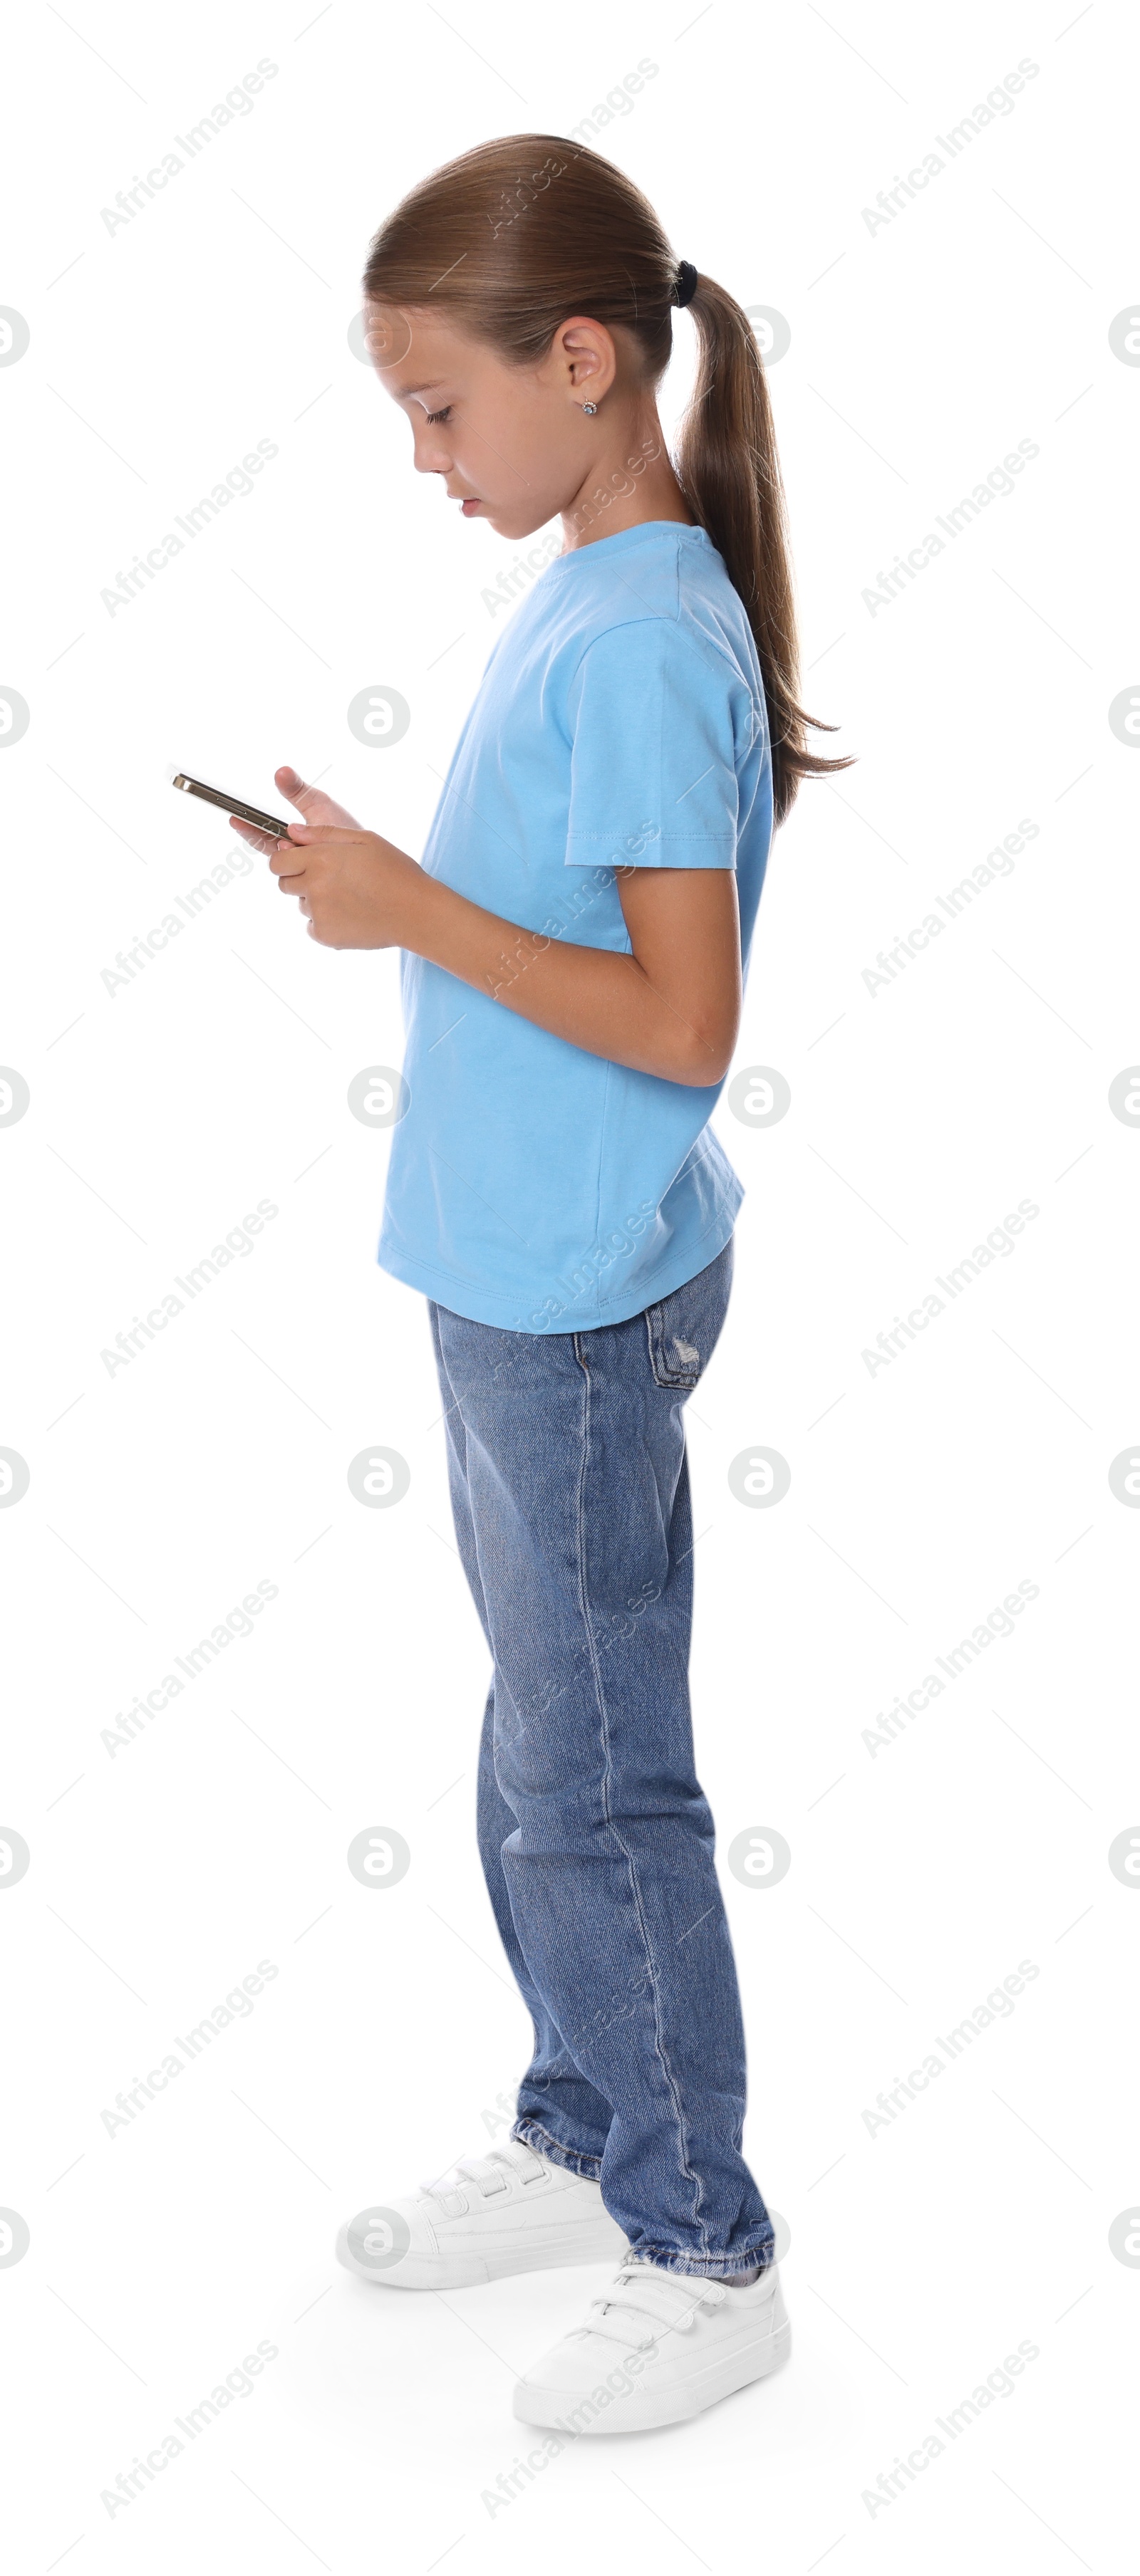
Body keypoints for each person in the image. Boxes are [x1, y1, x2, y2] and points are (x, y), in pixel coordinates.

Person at [232, 134, 849, 2436]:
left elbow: (682, 1026)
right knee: (534, 1748)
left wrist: (407, 908)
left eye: (435, 407)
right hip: (519, 1276)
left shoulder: (647, 628)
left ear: (577, 362)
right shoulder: (594, 588)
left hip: (578, 1300)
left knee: (597, 1772)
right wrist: (383, 888)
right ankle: (592, 2123)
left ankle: (709, 2234)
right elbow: (579, 946)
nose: (422, 457)